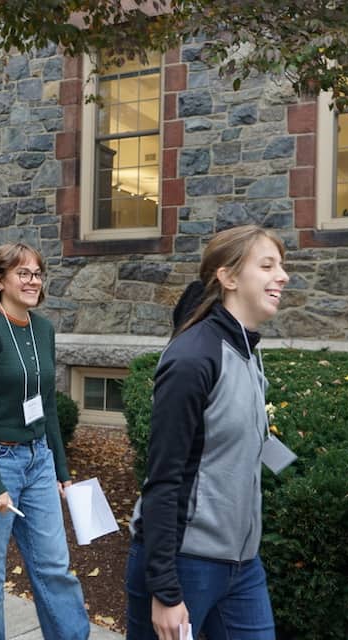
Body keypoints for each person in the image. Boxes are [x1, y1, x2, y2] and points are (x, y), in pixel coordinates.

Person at [126, 225, 289, 640]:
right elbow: (163, 477)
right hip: (185, 563)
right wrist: (165, 590)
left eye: (281, 266)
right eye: (267, 266)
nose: (283, 276)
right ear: (228, 277)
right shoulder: (192, 358)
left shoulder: (247, 350)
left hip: (243, 565)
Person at [0, 242, 88, 640]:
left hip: (38, 460)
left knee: (55, 568)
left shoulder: (43, 329)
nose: (33, 281)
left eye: (37, 273)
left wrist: (61, 469)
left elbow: (47, 404)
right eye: (23, 273)